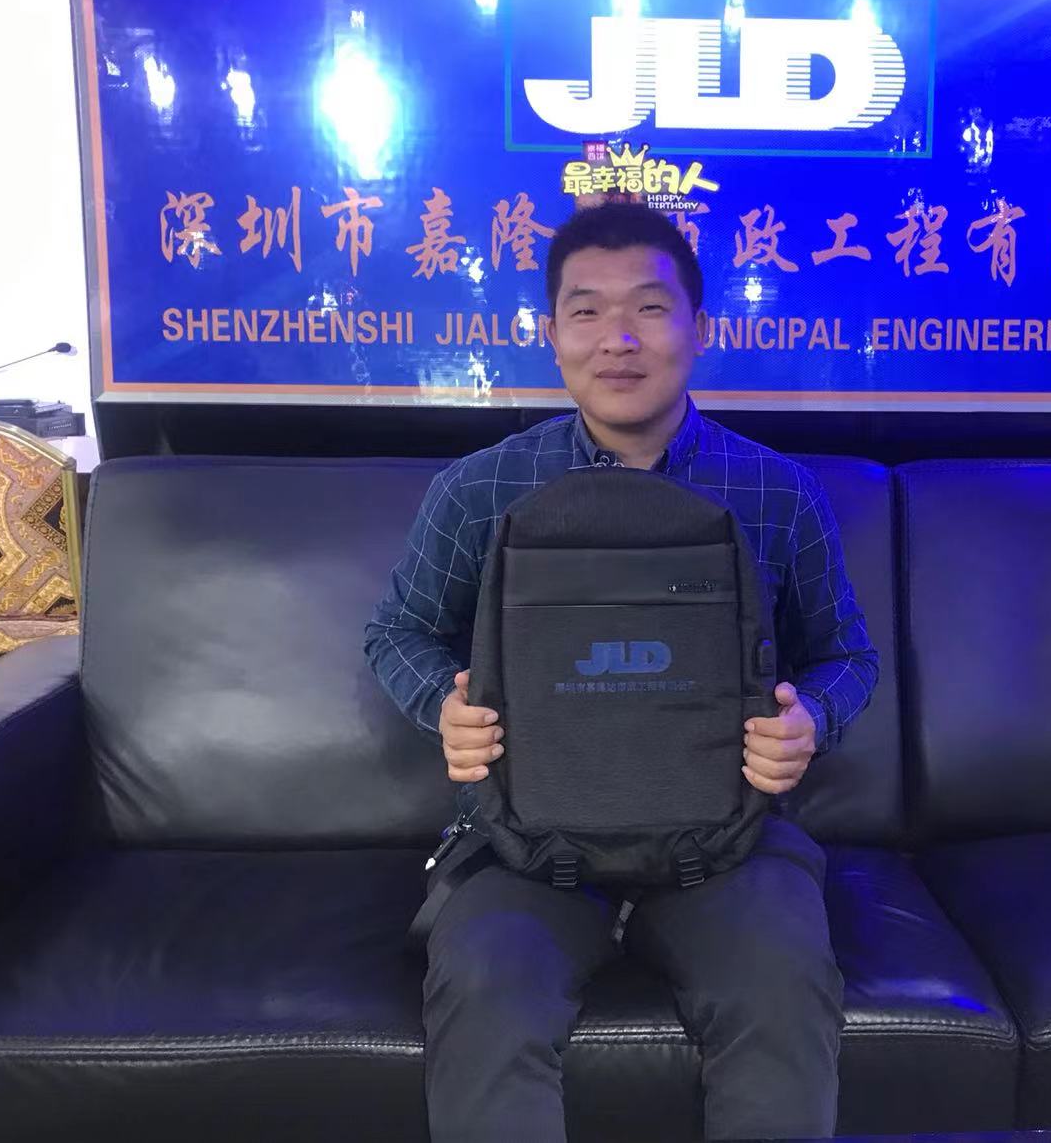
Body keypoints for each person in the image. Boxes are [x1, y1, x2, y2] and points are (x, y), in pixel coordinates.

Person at [366, 202, 880, 1142]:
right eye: (587, 311)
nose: (619, 339)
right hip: (527, 847)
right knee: (483, 985)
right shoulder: (481, 489)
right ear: (551, 333)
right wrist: (443, 706)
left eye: (649, 307)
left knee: (783, 985)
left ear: (700, 328)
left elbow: (847, 654)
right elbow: (397, 632)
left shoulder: (776, 490)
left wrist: (810, 718)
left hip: (727, 847)